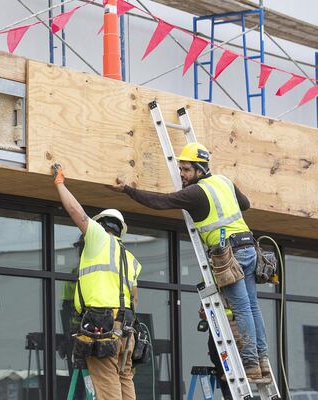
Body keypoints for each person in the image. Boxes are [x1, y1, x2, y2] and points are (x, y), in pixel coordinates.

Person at [110, 142, 270, 382]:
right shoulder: (224, 181)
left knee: (242, 309)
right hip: (248, 247)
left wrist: (128, 191)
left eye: (186, 170)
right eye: (181, 169)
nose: (182, 175)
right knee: (252, 307)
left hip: (230, 254)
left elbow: (159, 202)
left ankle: (251, 365)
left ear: (199, 169)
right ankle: (263, 362)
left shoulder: (196, 192)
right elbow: (244, 204)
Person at [52, 163, 141, 400]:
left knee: (108, 388)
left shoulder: (98, 238)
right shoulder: (129, 258)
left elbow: (76, 212)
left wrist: (60, 183)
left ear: (100, 225)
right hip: (126, 329)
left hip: (103, 327)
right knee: (125, 380)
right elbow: (134, 299)